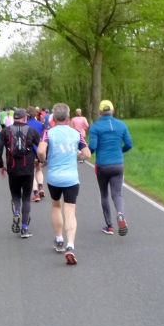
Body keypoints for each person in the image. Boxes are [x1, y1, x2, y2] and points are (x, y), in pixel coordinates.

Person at [37, 103, 91, 265]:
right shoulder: (76, 133)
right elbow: (87, 154)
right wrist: (75, 157)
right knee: (70, 210)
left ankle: (59, 239)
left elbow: (41, 151)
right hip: (71, 178)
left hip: (54, 177)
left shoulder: (48, 133)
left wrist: (43, 160)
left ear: (53, 117)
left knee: (56, 206)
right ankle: (70, 246)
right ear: (68, 117)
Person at [0, 108, 41, 239]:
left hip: (13, 168)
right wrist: (40, 160)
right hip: (28, 168)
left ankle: (16, 212)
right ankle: (24, 228)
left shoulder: (6, 131)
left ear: (14, 118)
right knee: (26, 197)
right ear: (25, 118)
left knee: (15, 195)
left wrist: (0, 165)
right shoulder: (31, 131)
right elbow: (42, 146)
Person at [88, 100, 133, 236]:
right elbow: (129, 144)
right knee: (117, 194)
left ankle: (109, 226)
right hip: (118, 164)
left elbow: (92, 147)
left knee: (104, 194)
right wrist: (120, 151)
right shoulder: (121, 125)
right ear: (113, 111)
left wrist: (85, 153)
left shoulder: (95, 127)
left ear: (100, 112)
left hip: (102, 165)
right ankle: (120, 214)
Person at [25, 107, 46, 202]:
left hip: (29, 151)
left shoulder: (25, 125)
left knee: (31, 172)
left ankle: (36, 193)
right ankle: (41, 186)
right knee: (38, 169)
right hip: (39, 150)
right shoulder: (40, 124)